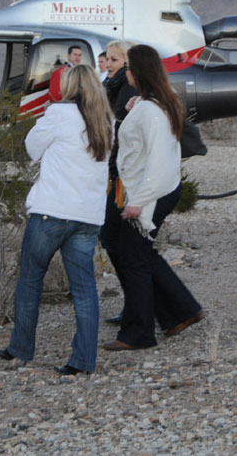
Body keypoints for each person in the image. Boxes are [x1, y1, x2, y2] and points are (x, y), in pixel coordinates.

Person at [0, 64, 114, 375]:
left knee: (31, 279)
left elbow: (31, 147)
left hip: (53, 211)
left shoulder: (59, 113)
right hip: (87, 215)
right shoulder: (105, 120)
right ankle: (84, 360)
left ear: (69, 87)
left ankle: (21, 347)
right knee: (84, 289)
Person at [103, 44, 203, 351]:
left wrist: (139, 202)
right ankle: (181, 310)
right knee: (121, 245)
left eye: (129, 68)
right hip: (134, 189)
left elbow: (159, 162)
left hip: (148, 193)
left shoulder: (153, 110)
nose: (125, 73)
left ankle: (139, 333)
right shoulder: (150, 104)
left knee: (134, 258)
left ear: (139, 72)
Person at [100, 39, 139, 325]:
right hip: (115, 173)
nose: (108, 64)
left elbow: (124, 134)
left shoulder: (128, 90)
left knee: (116, 239)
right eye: (108, 59)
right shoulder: (112, 88)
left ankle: (138, 305)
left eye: (115, 59)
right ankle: (135, 303)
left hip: (124, 177)